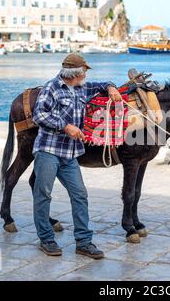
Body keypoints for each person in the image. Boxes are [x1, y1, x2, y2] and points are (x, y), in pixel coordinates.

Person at [31, 54, 122, 259]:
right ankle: (46, 239)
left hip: (70, 155)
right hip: (48, 151)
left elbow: (101, 84)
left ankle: (83, 242)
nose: (85, 74)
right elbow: (39, 115)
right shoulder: (51, 88)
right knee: (43, 194)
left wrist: (111, 87)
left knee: (80, 194)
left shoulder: (81, 88)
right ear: (76, 73)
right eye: (84, 71)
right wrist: (65, 126)